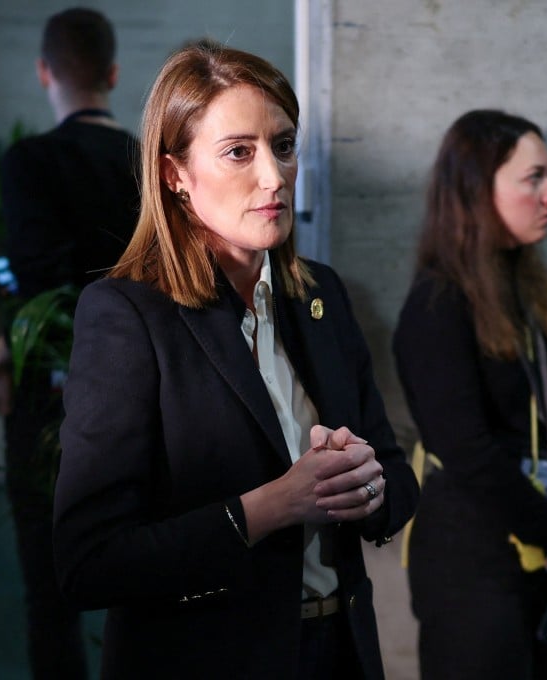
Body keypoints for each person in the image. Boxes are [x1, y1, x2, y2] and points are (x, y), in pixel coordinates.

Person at [52, 44, 420, 680]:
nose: (274, 176)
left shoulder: (320, 296)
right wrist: (272, 506)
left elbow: (394, 473)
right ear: (174, 173)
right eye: (238, 152)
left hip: (339, 649)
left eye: (284, 146)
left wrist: (369, 486)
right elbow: (90, 561)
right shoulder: (128, 316)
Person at [392, 109, 547, 680]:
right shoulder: (437, 306)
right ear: (477, 190)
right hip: (473, 561)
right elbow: (468, 453)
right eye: (534, 178)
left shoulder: (523, 291)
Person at [0, 7, 141, 678]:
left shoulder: (30, 162)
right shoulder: (145, 162)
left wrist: (7, 347)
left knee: (49, 595)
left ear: (44, 72)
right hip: (142, 392)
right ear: (114, 73)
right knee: (144, 579)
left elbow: (38, 282)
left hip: (51, 394)